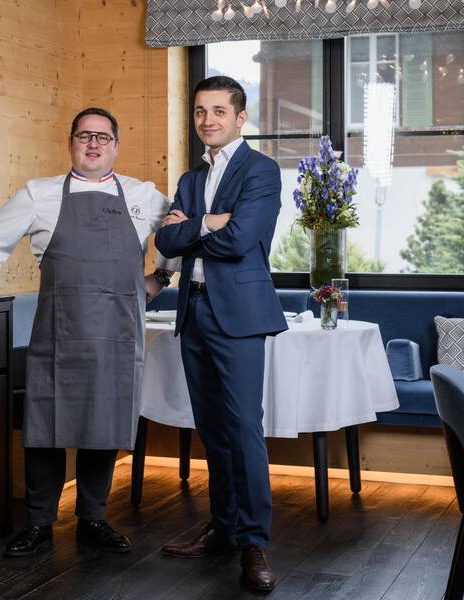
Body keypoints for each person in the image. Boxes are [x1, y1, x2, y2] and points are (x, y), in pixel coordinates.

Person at [0, 107, 175, 557]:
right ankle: (38, 523)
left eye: (102, 137)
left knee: (105, 426)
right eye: (84, 136)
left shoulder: (142, 195)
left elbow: (181, 230)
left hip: (118, 335)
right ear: (70, 143)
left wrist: (161, 276)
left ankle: (93, 518)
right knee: (45, 428)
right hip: (59, 334)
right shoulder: (39, 194)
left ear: (116, 146)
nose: (93, 144)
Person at [154, 76, 286, 594]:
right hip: (193, 311)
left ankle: (254, 542)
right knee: (211, 427)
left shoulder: (262, 170)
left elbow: (240, 240)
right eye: (200, 111)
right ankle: (223, 527)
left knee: (243, 429)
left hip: (240, 314)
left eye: (218, 111)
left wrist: (195, 229)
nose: (208, 120)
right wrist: (209, 221)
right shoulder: (189, 179)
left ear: (240, 117)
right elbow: (165, 238)